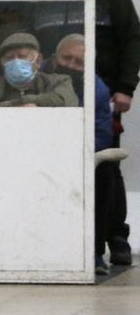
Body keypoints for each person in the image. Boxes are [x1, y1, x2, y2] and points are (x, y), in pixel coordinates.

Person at [41, 0, 140, 264]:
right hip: (54, 96)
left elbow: (132, 41)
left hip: (103, 95)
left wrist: (125, 89)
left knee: (106, 164)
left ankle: (116, 236)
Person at [46, 34, 115, 274]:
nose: (72, 66)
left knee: (104, 172)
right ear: (55, 56)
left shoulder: (98, 90)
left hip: (77, 155)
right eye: (67, 58)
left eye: (79, 62)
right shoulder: (36, 75)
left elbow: (102, 135)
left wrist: (71, 149)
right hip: (37, 151)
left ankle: (94, 253)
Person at [0, 32, 78, 107]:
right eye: (9, 58)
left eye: (22, 56)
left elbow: (66, 101)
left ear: (39, 61)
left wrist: (14, 103)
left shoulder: (58, 81)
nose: (16, 62)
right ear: (1, 63)